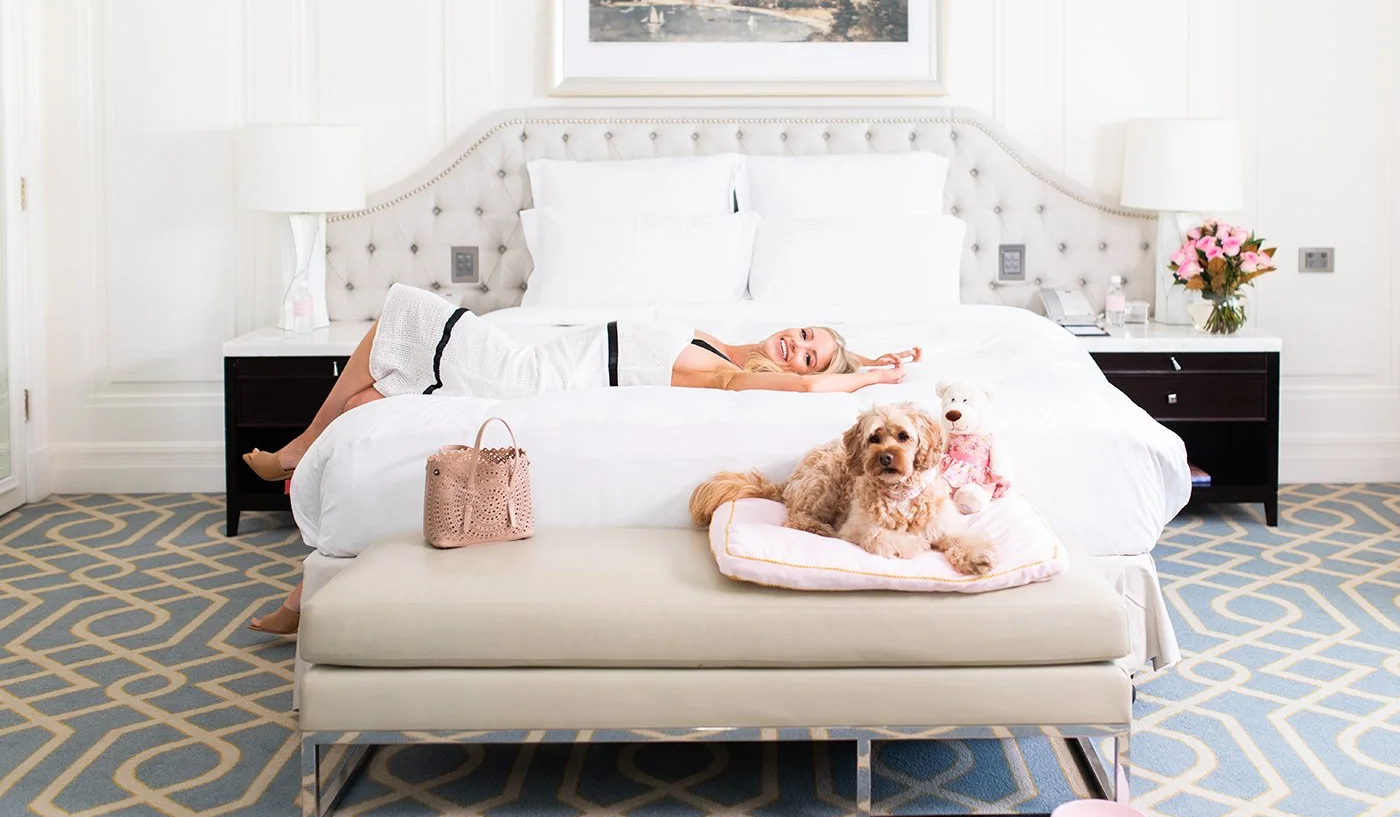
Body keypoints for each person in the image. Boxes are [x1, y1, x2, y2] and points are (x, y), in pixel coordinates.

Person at [243, 284, 922, 635]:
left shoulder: (724, 377)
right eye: (802, 334)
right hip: (540, 357)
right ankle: (313, 591)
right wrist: (842, 359)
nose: (796, 348)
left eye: (811, 354)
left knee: (402, 313)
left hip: (524, 376)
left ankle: (297, 453)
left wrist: (860, 379)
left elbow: (802, 388)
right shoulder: (721, 343)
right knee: (375, 394)